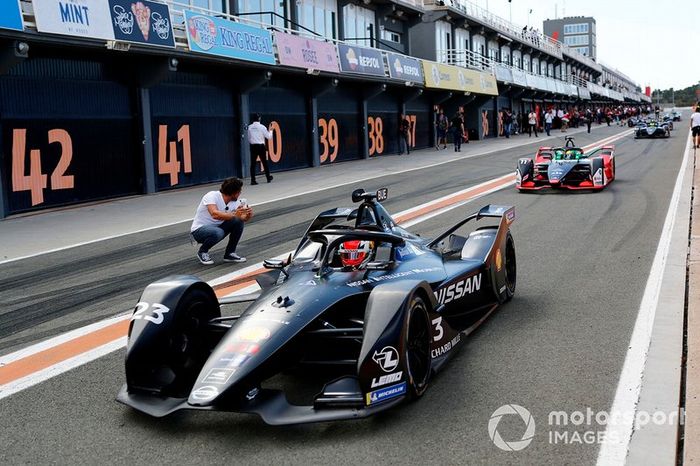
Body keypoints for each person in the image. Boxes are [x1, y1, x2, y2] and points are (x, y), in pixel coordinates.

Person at [190, 177, 252, 265]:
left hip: (218, 229)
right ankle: (202, 252)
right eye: (239, 191)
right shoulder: (211, 196)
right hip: (199, 230)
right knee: (218, 232)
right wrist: (235, 214)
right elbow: (214, 214)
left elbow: (242, 218)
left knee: (238, 221)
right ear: (234, 192)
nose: (240, 193)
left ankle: (230, 253)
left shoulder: (235, 202)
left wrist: (248, 214)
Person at [247, 114, 273, 185]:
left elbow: (249, 138)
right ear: (259, 118)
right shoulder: (262, 127)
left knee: (253, 164)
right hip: (261, 146)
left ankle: (253, 180)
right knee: (264, 162)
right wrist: (270, 131)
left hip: (253, 146)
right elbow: (269, 137)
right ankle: (268, 178)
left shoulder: (249, 127)